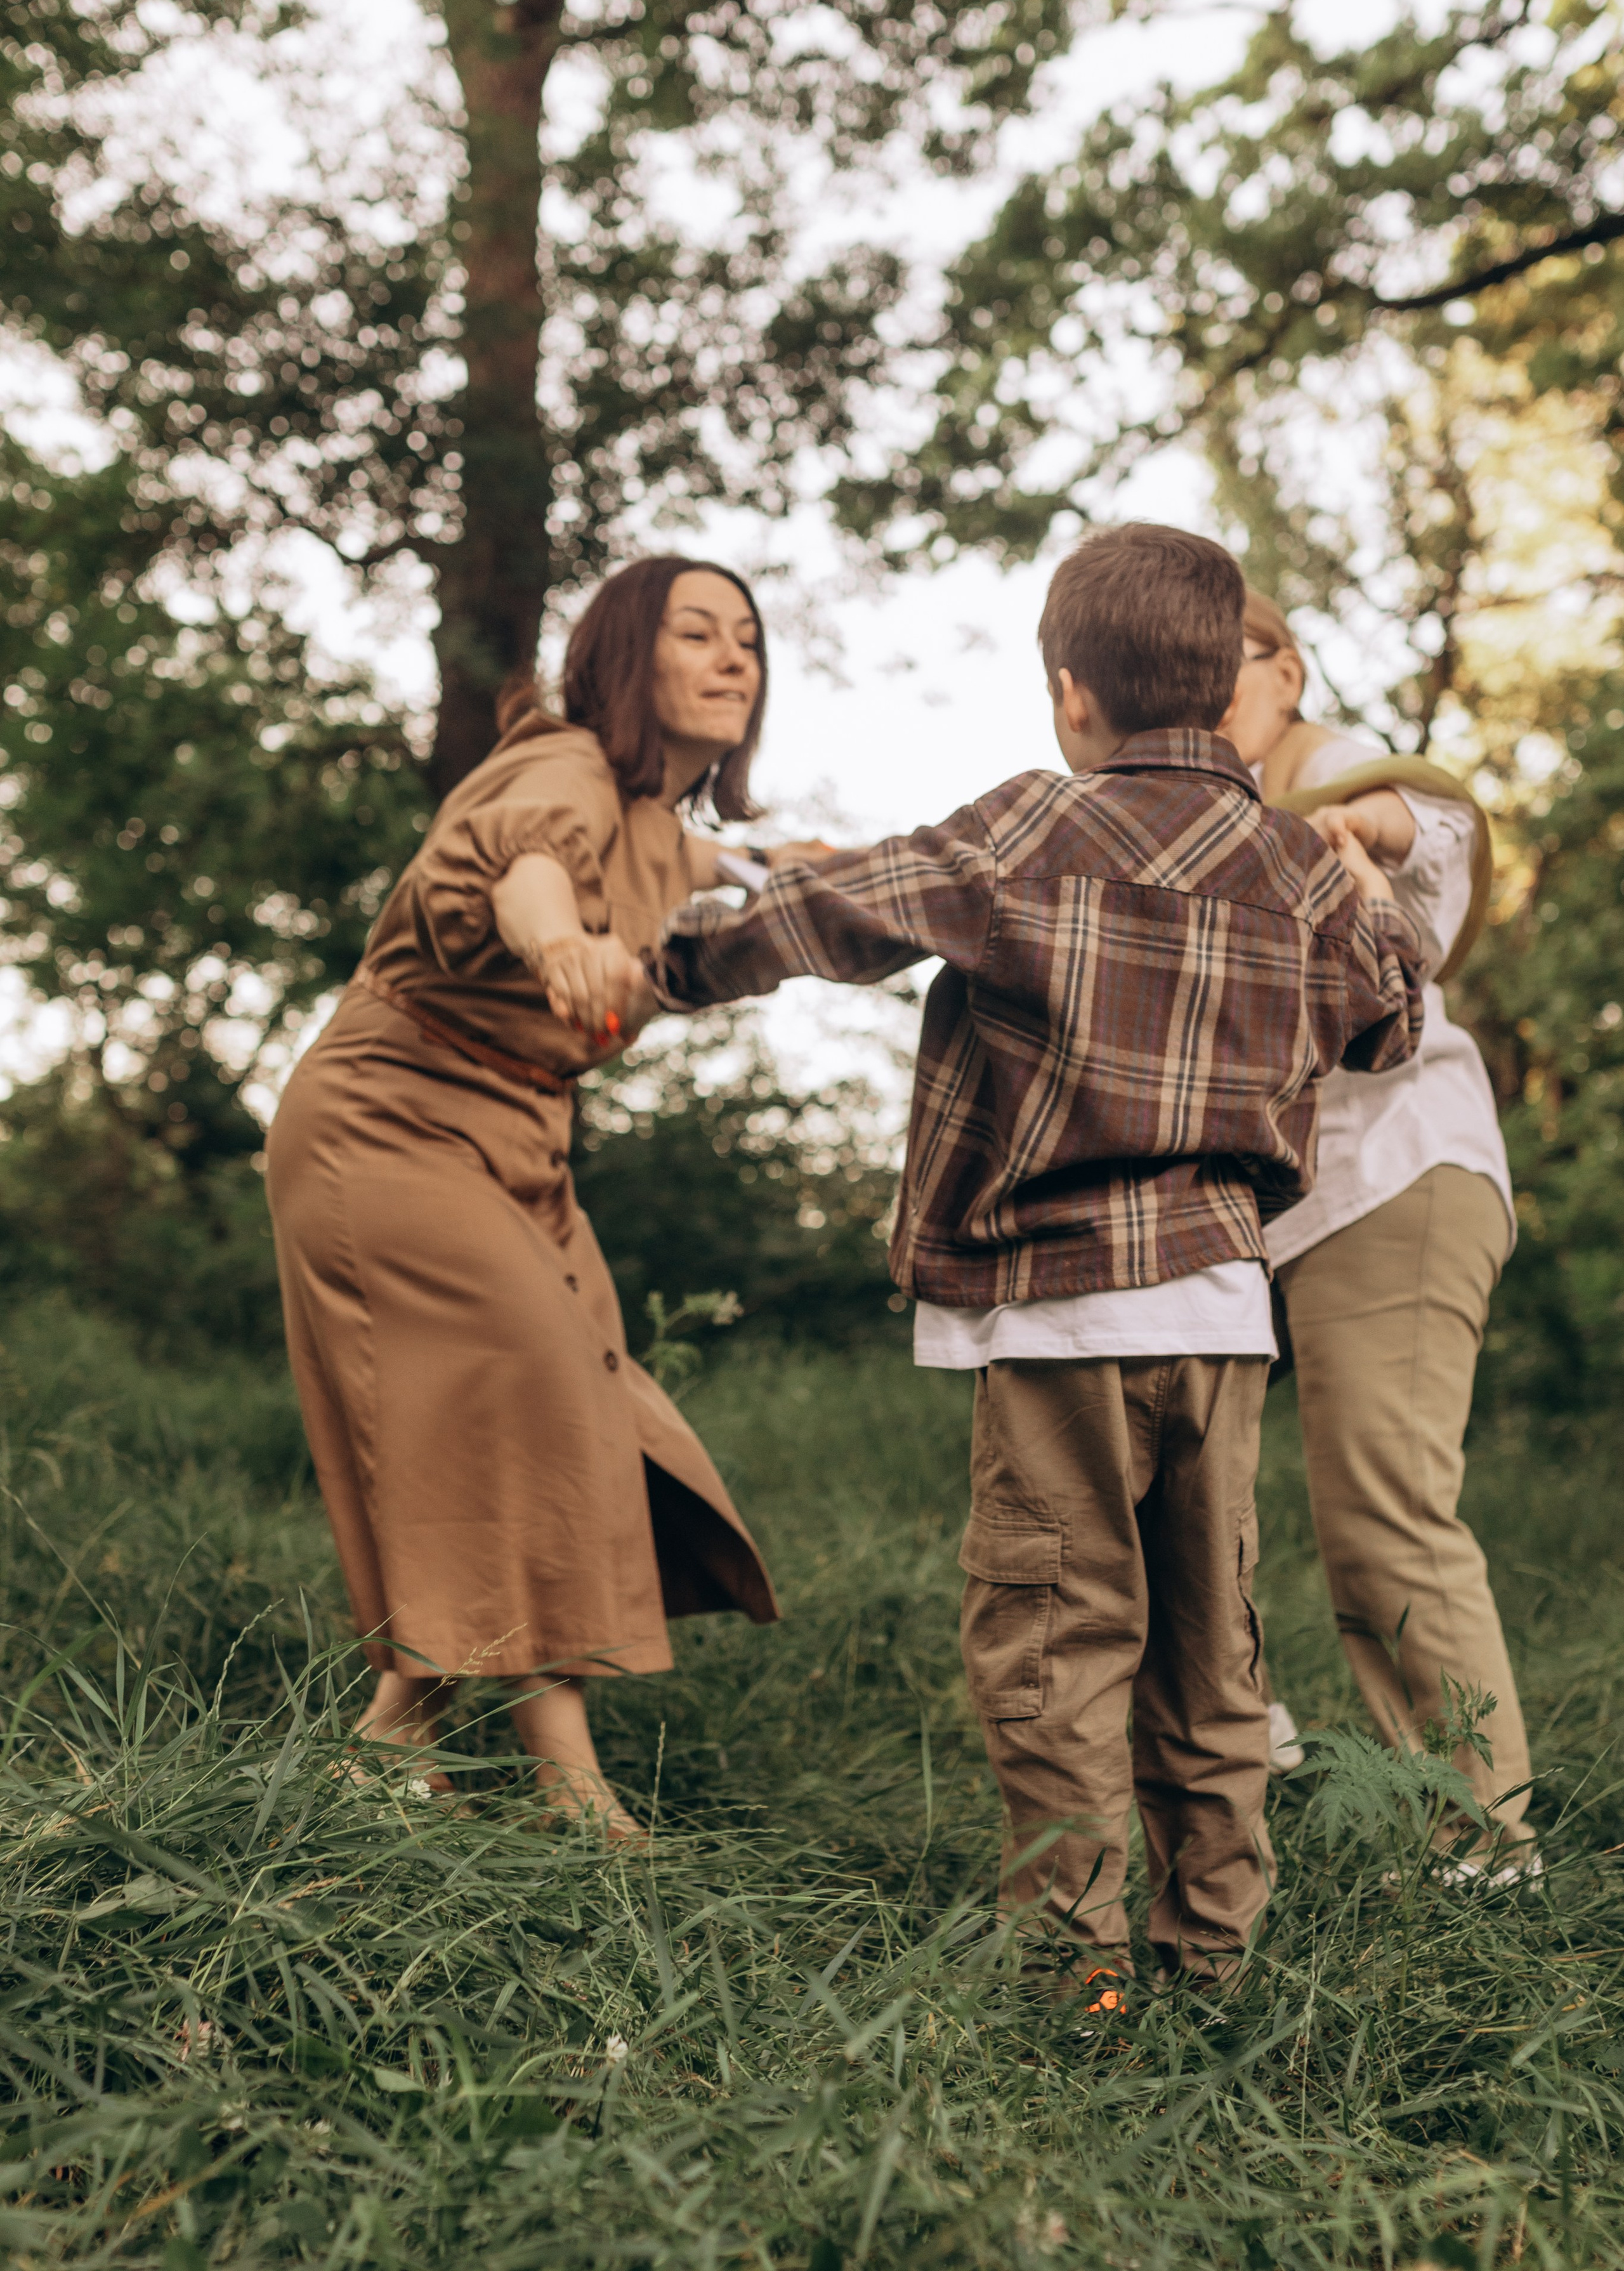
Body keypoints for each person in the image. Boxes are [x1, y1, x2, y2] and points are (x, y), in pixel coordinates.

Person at [652, 524, 1425, 1988]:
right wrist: (1361, 890)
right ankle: (1211, 1955)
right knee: (1213, 1650)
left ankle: (1073, 1976)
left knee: (1057, 1646)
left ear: (1072, 695)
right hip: (1215, 1315)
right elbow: (1389, 1014)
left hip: (1055, 1314)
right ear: (1221, 683)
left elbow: (834, 915)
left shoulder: (1026, 829)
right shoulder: (1295, 870)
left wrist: (671, 963)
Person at [265, 556, 787, 1839]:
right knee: (545, 1390)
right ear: (625, 659)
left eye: (749, 641)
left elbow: (705, 854)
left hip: (516, 1143)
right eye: (698, 635)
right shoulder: (560, 767)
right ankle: (565, 1784)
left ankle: (395, 1736)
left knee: (583, 1407)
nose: (734, 660)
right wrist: (557, 940)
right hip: (389, 1120)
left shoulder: (660, 820)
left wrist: (814, 865)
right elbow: (525, 865)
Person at [1221, 587, 1536, 1876]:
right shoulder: (1218, 811)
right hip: (1286, 1207)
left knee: (1386, 1517)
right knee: (1196, 1484)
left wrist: (1361, 822)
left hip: (1397, 1179)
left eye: (1218, 672)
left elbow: (1431, 821)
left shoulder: (1334, 769)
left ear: (1283, 670)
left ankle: (1486, 1855)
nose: (1194, 701)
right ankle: (1254, 1739)